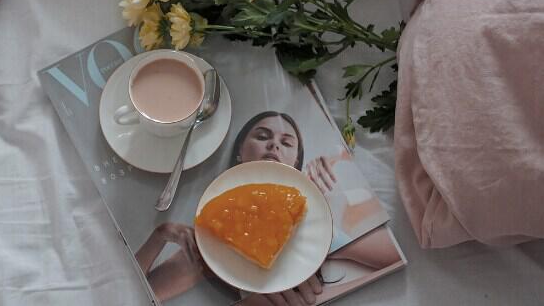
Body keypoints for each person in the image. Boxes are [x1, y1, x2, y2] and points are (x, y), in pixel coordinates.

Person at [135, 111, 394, 305]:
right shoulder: (210, 243)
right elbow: (135, 295)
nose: (274, 145)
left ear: (296, 161)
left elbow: (392, 260)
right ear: (239, 151)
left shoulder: (327, 210)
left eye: (287, 142)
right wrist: (160, 235)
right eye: (262, 136)